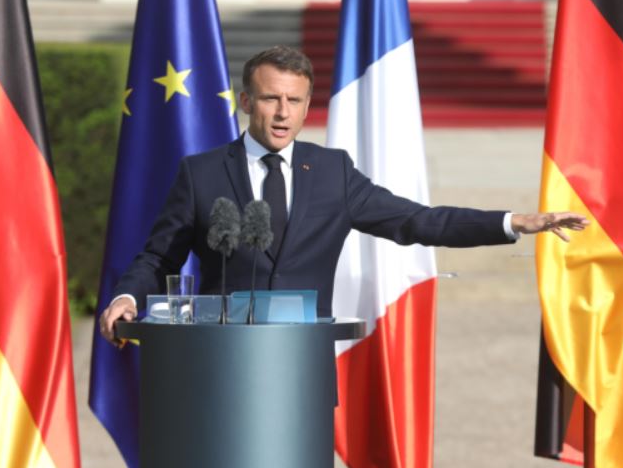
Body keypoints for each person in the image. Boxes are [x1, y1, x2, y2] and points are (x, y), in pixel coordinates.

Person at [100, 45, 585, 343]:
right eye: (270, 98)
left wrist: (513, 222)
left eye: (295, 101)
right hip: (216, 363)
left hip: (301, 366)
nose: (282, 112)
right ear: (247, 102)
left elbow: (417, 221)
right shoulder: (201, 173)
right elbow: (158, 256)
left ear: (309, 106)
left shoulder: (331, 172)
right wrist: (127, 296)